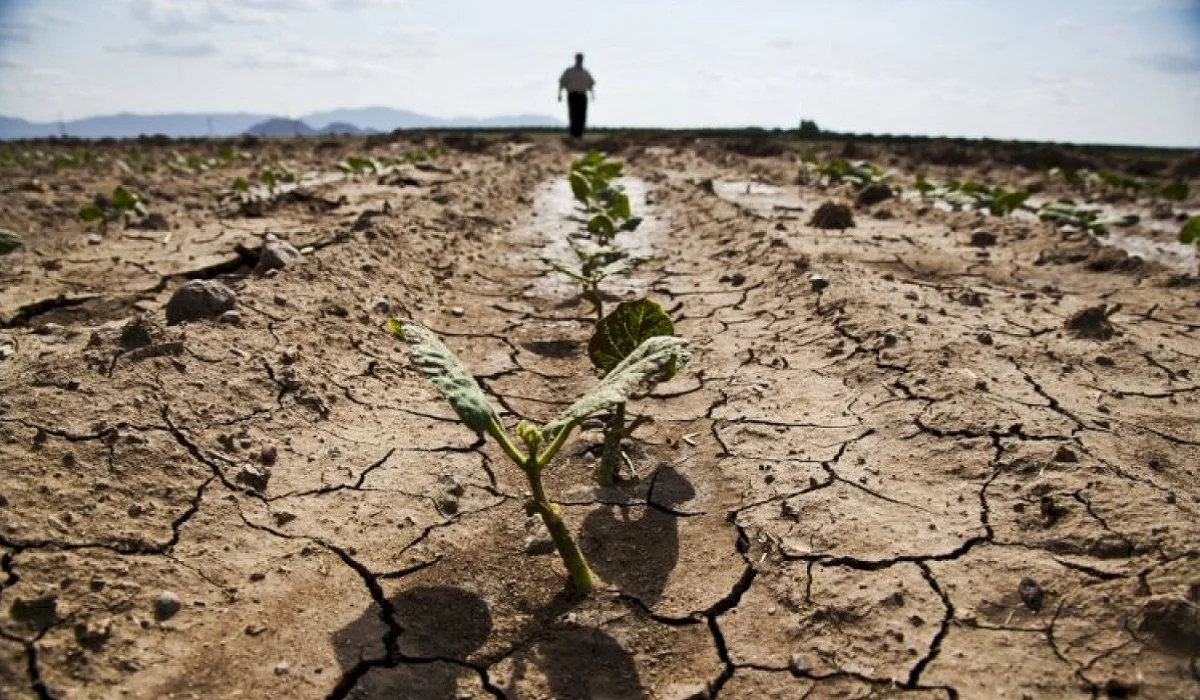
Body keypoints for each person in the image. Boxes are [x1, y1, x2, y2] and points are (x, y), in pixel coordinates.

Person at [558, 53, 595, 138]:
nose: (580, 60)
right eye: (578, 58)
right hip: (573, 95)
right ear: (575, 59)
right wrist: (559, 94)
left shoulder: (585, 72)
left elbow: (591, 85)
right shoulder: (569, 71)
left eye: (581, 59)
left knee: (582, 115)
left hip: (582, 95)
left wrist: (593, 95)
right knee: (573, 115)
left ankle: (580, 135)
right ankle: (573, 134)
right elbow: (562, 83)